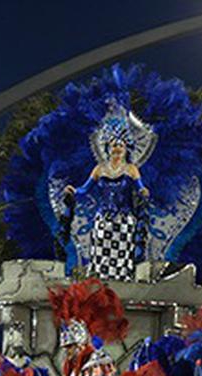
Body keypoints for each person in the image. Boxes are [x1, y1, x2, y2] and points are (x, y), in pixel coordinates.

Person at [64, 100, 152, 281]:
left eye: (120, 144)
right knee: (100, 253)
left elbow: (140, 188)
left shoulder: (131, 170)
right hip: (103, 219)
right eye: (113, 144)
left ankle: (122, 287)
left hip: (125, 220)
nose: (117, 148)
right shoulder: (99, 169)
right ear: (107, 148)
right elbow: (84, 190)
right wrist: (73, 191)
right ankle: (100, 288)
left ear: (127, 148)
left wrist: (144, 191)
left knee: (123, 254)